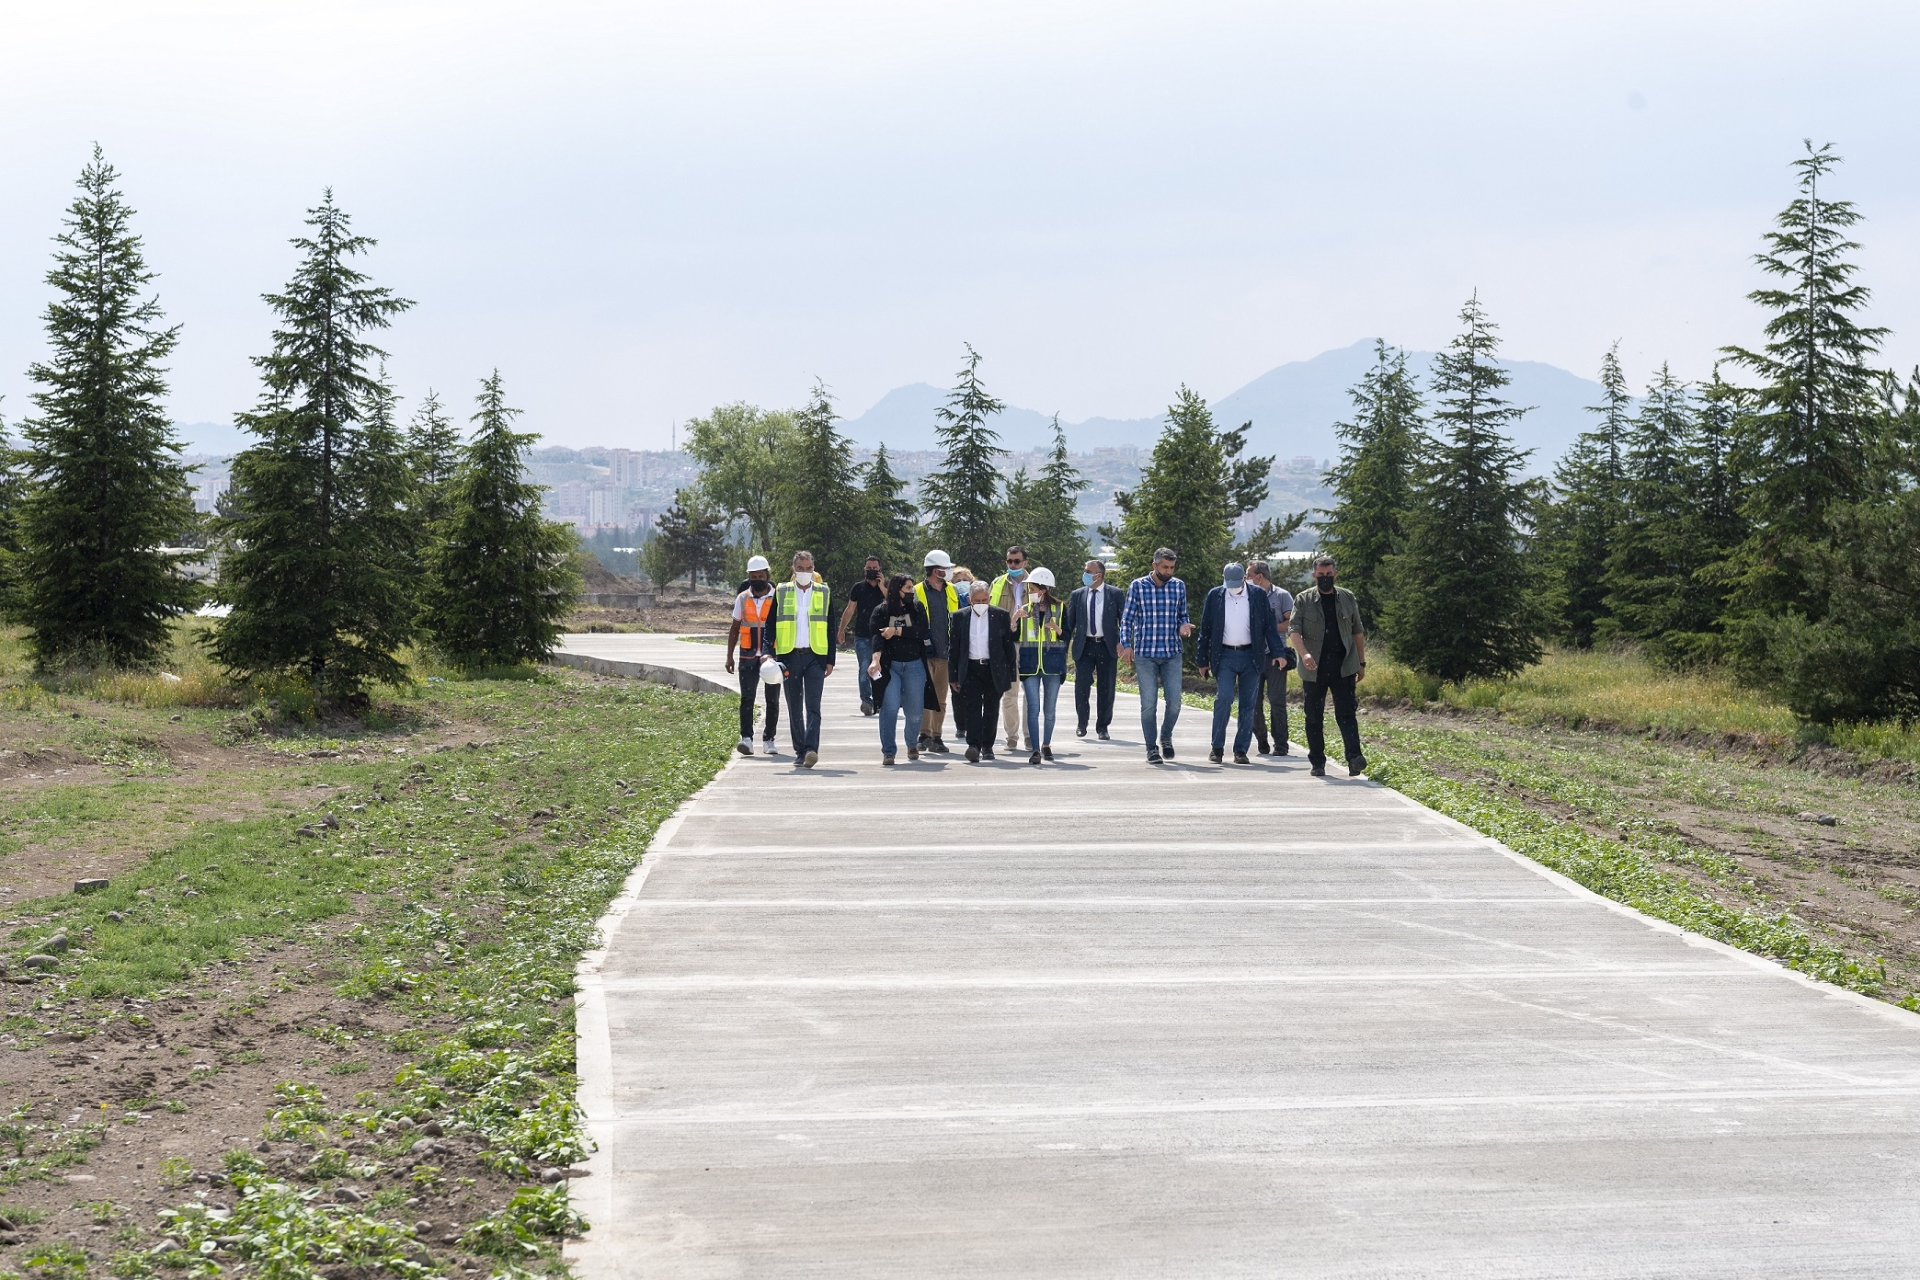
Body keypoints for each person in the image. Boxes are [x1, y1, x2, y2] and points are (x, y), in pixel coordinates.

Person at [1195, 562, 1288, 765]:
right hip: (1225, 655)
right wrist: (1202, 660)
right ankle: (1217, 747)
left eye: (1238, 582)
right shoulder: (1215, 596)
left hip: (1251, 656)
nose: (1234, 586)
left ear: (1245, 580)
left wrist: (1278, 653)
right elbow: (1205, 630)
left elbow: (1269, 627)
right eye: (1230, 583)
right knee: (1224, 699)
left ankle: (1240, 750)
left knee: (1248, 705)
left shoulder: (1257, 596)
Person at [1288, 555, 1368, 777]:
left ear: (1335, 574)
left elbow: (1357, 631)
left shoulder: (1347, 597)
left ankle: (1354, 758)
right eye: (1321, 575)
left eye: (1329, 575)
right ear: (1314, 575)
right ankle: (1317, 761)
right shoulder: (1303, 600)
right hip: (1314, 666)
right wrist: (1303, 655)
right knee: (1313, 715)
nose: (1325, 579)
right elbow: (1294, 630)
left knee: (1346, 713)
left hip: (1344, 664)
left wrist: (1361, 662)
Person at [1118, 546, 1194, 764]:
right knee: (1149, 703)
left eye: (1171, 567)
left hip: (1171, 653)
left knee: (1175, 703)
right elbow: (1127, 619)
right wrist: (1126, 645)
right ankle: (1151, 748)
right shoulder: (1138, 586)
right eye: (1164, 567)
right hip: (1146, 654)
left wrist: (1183, 627)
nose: (1168, 571)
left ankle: (1166, 735)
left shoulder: (1178, 586)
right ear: (1154, 565)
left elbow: (1183, 615)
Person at [770, 550, 834, 769]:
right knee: (794, 706)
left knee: (813, 706)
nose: (805, 572)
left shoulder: (824, 592)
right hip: (789, 657)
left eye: (808, 569)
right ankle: (799, 751)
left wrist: (830, 659)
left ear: (813, 569)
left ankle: (811, 750)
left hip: (815, 657)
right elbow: (770, 625)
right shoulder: (782, 591)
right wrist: (768, 653)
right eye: (800, 569)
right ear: (793, 570)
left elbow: (830, 626)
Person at [948, 577, 1015, 763]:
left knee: (992, 709)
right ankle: (974, 745)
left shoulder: (1000, 616)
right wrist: (952, 675)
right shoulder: (959, 617)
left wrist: (1010, 675)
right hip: (970, 669)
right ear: (969, 600)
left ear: (989, 598)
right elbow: (953, 648)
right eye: (977, 601)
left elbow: (1008, 647)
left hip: (994, 669)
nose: (980, 604)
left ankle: (987, 746)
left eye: (984, 600)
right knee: (972, 708)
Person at [865, 573, 929, 766]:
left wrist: (897, 631)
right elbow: (876, 638)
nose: (912, 592)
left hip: (914, 665)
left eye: (912, 588)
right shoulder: (881, 611)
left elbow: (922, 631)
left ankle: (911, 743)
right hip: (890, 666)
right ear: (896, 590)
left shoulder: (917, 608)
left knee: (915, 711)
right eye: (908, 588)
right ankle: (889, 751)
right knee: (890, 708)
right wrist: (875, 660)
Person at [723, 554, 781, 755]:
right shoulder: (742, 598)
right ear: (749, 577)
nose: (757, 579)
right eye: (753, 576)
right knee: (747, 698)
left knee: (772, 699)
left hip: (771, 657)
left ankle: (769, 739)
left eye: (760, 575)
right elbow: (734, 628)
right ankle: (746, 739)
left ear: (767, 575)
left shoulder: (778, 598)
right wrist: (729, 656)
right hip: (747, 656)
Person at [1010, 567, 1067, 764]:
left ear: (1043, 590)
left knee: (1049, 709)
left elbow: (1068, 636)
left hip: (1053, 664)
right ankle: (1035, 749)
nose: (1029, 592)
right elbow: (1014, 637)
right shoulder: (1024, 610)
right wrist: (1014, 623)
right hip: (1030, 665)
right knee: (1032, 708)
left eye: (1032, 588)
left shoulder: (1060, 608)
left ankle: (1046, 745)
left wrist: (1059, 630)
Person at [1063, 557, 1123, 740]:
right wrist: (1062, 649)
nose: (1085, 574)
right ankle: (1082, 724)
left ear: (1099, 575)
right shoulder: (1077, 594)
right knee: (1081, 686)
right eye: (1085, 571)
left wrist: (1124, 643)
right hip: (1085, 646)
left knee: (1106, 688)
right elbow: (1069, 624)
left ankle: (1103, 727)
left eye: (1088, 572)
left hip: (1107, 646)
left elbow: (1125, 621)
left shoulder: (1115, 594)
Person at [1244, 560, 1296, 756]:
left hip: (1275, 656)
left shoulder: (1282, 596)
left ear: (1259, 576)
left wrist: (1268, 628)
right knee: (1253, 703)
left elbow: (1290, 622)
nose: (1245, 579)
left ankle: (1281, 744)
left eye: (1248, 575)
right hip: (1252, 656)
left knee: (1277, 701)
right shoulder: (1246, 596)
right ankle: (1261, 740)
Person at [914, 550, 959, 754]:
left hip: (945, 654)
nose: (949, 571)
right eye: (945, 568)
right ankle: (924, 735)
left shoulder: (952, 591)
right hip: (923, 654)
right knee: (924, 697)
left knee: (940, 698)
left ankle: (937, 737)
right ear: (934, 570)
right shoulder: (916, 591)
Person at [989, 545, 1032, 751]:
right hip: (1007, 644)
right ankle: (1012, 736)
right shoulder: (997, 584)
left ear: (1025, 563)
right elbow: (990, 615)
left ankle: (1030, 735)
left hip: (1031, 644)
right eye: (1009, 561)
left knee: (1030, 694)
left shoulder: (1036, 583)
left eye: (1016, 561)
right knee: (1010, 693)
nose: (1012, 565)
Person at [837, 555, 887, 717]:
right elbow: (850, 609)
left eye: (875, 569)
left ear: (880, 570)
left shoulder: (886, 587)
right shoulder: (858, 588)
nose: (872, 571)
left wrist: (882, 587)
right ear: (864, 570)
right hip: (862, 636)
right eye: (869, 569)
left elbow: (894, 604)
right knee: (865, 667)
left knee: (881, 668)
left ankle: (880, 700)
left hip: (883, 636)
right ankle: (866, 700)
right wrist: (841, 629)